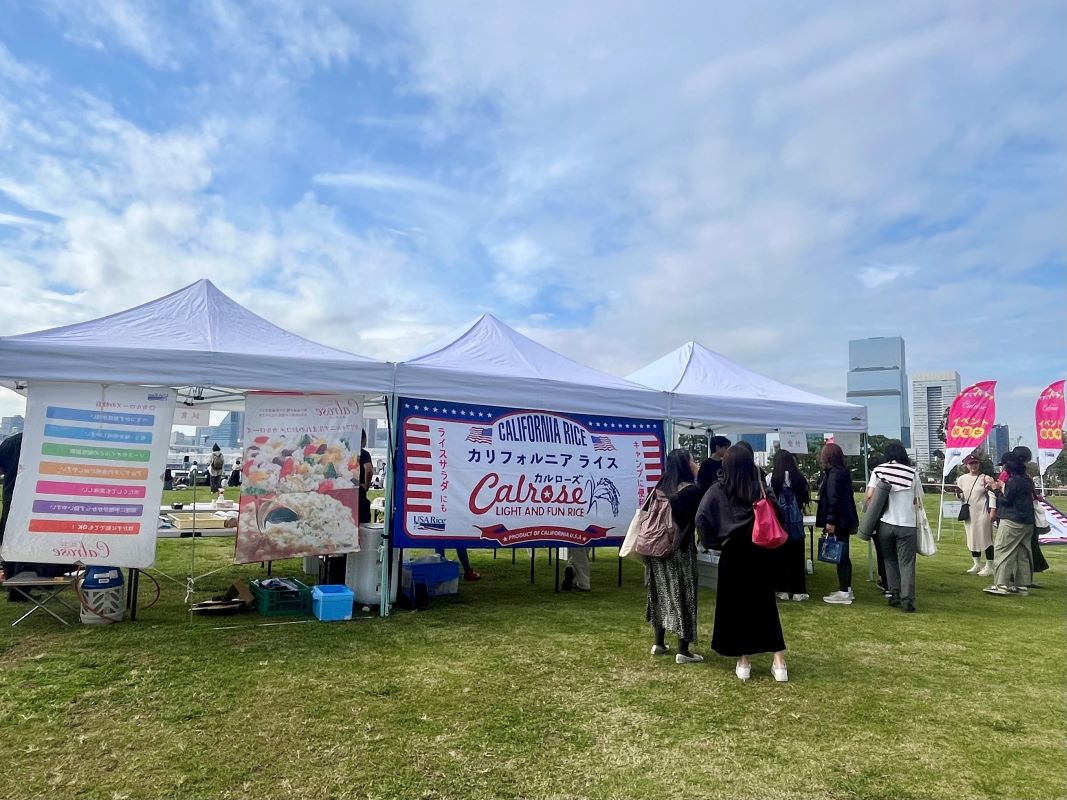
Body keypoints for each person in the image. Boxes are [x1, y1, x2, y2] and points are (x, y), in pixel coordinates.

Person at [697, 444, 788, 682]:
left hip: (733, 552)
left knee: (736, 607)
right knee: (765, 605)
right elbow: (778, 512)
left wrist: (714, 542)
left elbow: (702, 518)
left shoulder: (718, 489)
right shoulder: (759, 487)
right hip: (761, 551)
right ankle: (779, 661)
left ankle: (744, 660)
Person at [644, 448, 704, 664]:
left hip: (656, 549)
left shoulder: (660, 487)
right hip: (680, 549)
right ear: (686, 465)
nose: (695, 463)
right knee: (684, 596)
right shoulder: (692, 491)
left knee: (659, 594)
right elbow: (696, 520)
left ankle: (658, 642)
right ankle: (684, 649)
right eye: (692, 460)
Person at [865, 441, 921, 613]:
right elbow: (917, 501)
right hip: (907, 524)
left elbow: (870, 496)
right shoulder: (912, 473)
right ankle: (907, 599)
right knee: (907, 563)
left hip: (886, 523)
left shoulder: (879, 470)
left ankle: (894, 593)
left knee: (889, 559)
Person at [985, 452, 1036, 595]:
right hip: (1027, 521)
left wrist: (995, 489)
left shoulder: (1013, 481)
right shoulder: (1027, 480)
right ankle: (1022, 585)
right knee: (1023, 553)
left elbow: (1006, 500)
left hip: (1012, 520)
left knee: (1003, 551)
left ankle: (1001, 585)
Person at [816, 442, 860, 605]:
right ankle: (846, 589)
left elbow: (834, 499)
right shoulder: (843, 472)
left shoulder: (834, 474)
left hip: (839, 520)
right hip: (845, 519)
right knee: (844, 554)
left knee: (840, 555)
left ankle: (844, 592)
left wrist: (830, 520)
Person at [768, 449, 810, 601]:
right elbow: (804, 500)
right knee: (797, 557)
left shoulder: (771, 478)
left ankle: (781, 589)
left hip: (778, 523)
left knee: (779, 557)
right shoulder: (800, 478)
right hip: (796, 522)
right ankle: (798, 590)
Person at [954, 454, 994, 576]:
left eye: (975, 463)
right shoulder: (962, 479)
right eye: (971, 464)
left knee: (986, 537)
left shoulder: (985, 478)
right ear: (966, 465)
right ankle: (976, 563)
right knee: (972, 537)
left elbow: (992, 494)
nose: (974, 466)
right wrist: (959, 495)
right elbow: (962, 497)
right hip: (969, 512)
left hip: (982, 512)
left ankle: (989, 565)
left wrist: (992, 510)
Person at [0, 432, 23, 582]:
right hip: (36, 499)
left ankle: (8, 574)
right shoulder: (42, 440)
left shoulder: (11, 442)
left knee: (9, 538)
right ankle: (21, 581)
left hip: (11, 496)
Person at [358, 430, 373, 525]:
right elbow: (369, 469)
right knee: (364, 527)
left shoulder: (344, 452)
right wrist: (367, 486)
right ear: (363, 439)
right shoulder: (363, 453)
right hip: (360, 495)